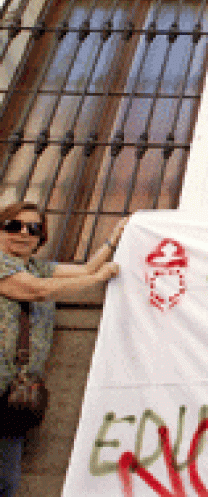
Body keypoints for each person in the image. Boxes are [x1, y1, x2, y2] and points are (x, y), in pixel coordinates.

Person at [0, 202, 125, 497]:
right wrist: (97, 280)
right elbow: (35, 289)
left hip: (14, 395)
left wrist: (115, 236)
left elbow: (85, 267)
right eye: (13, 225)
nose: (23, 233)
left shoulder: (35, 267)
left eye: (33, 228)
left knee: (6, 482)